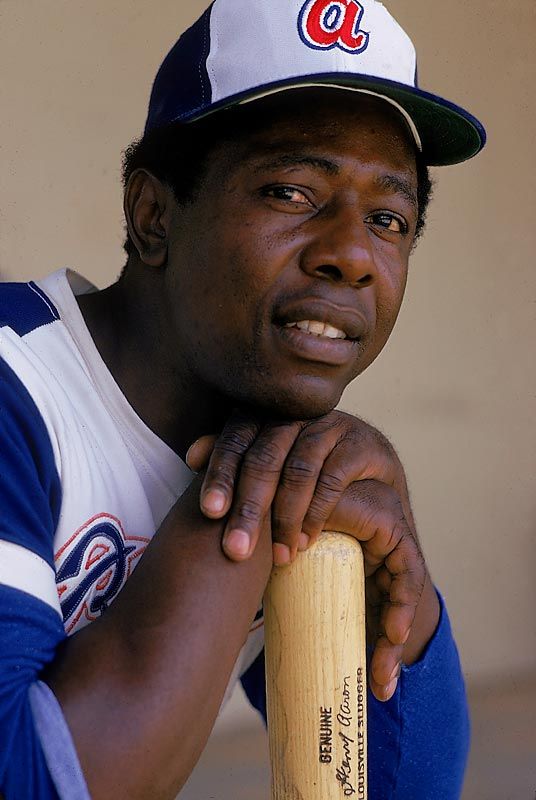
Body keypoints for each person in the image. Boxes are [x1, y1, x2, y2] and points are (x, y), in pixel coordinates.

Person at [0, 0, 486, 798]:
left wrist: (408, 591)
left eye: (391, 217)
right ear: (153, 215)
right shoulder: (18, 388)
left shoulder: (273, 436)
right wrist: (243, 508)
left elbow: (398, 789)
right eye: (293, 192)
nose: (353, 256)